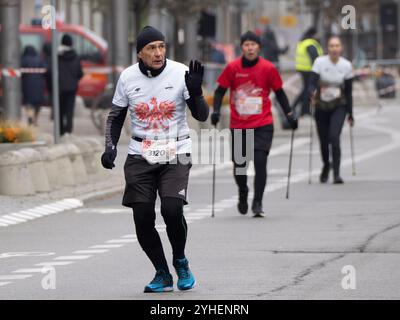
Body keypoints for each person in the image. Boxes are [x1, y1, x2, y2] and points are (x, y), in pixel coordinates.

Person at [100, 26, 209, 293]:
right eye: (151, 48)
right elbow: (116, 116)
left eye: (161, 46)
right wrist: (110, 146)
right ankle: (161, 272)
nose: (158, 53)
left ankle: (180, 261)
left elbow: (202, 115)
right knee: (142, 217)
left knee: (172, 210)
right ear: (139, 53)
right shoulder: (127, 77)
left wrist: (196, 92)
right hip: (140, 154)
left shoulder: (180, 72)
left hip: (175, 151)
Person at [210, 31, 298, 217]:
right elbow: (219, 91)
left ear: (259, 47)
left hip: (262, 123)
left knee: (260, 161)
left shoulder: (268, 68)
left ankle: (258, 202)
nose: (250, 48)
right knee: (240, 165)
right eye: (246, 44)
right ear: (242, 47)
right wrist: (216, 111)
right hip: (239, 124)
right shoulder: (232, 67)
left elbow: (280, 93)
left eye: (253, 44)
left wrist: (289, 113)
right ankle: (243, 192)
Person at [308, 35, 354, 184]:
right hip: (321, 105)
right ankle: (326, 165)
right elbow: (312, 82)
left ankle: (337, 173)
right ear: (327, 48)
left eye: (337, 46)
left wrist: (351, 113)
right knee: (323, 140)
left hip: (338, 106)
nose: (334, 49)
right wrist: (311, 92)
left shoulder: (346, 65)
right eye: (331, 46)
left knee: (334, 137)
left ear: (341, 48)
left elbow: (348, 91)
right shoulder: (320, 62)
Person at [49, 34, 83, 136]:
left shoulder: (56, 56)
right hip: (72, 88)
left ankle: (60, 131)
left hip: (59, 88)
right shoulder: (75, 56)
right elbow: (80, 73)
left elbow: (51, 71)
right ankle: (68, 130)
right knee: (69, 110)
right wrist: (74, 80)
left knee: (60, 110)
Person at [292, 27, 323, 116]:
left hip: (303, 69)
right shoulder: (310, 43)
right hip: (309, 70)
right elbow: (315, 58)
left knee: (306, 89)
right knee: (308, 90)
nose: (318, 36)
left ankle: (299, 108)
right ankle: (303, 109)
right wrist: (318, 70)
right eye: (317, 34)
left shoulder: (304, 42)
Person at [21, 45, 46, 126]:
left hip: (27, 86)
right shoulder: (39, 59)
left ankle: (30, 117)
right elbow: (45, 70)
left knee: (28, 103)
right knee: (37, 104)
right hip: (38, 86)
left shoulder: (23, 60)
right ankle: (35, 119)